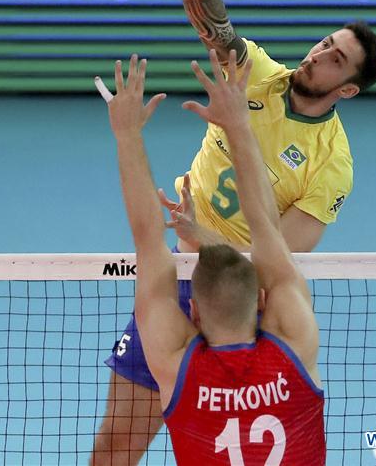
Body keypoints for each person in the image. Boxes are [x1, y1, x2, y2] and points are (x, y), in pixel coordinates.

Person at [93, 0, 376, 464]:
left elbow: (277, 259)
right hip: (178, 272)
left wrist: (196, 237)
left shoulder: (332, 165)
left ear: (347, 89)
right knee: (114, 449)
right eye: (326, 43)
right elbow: (217, 28)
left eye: (337, 60)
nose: (319, 55)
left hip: (237, 303)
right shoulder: (256, 74)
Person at [99, 50, 325, 464]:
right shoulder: (296, 344)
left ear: (195, 312)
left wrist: (126, 134)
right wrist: (239, 124)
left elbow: (149, 238)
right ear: (261, 302)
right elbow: (266, 231)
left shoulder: (175, 368)